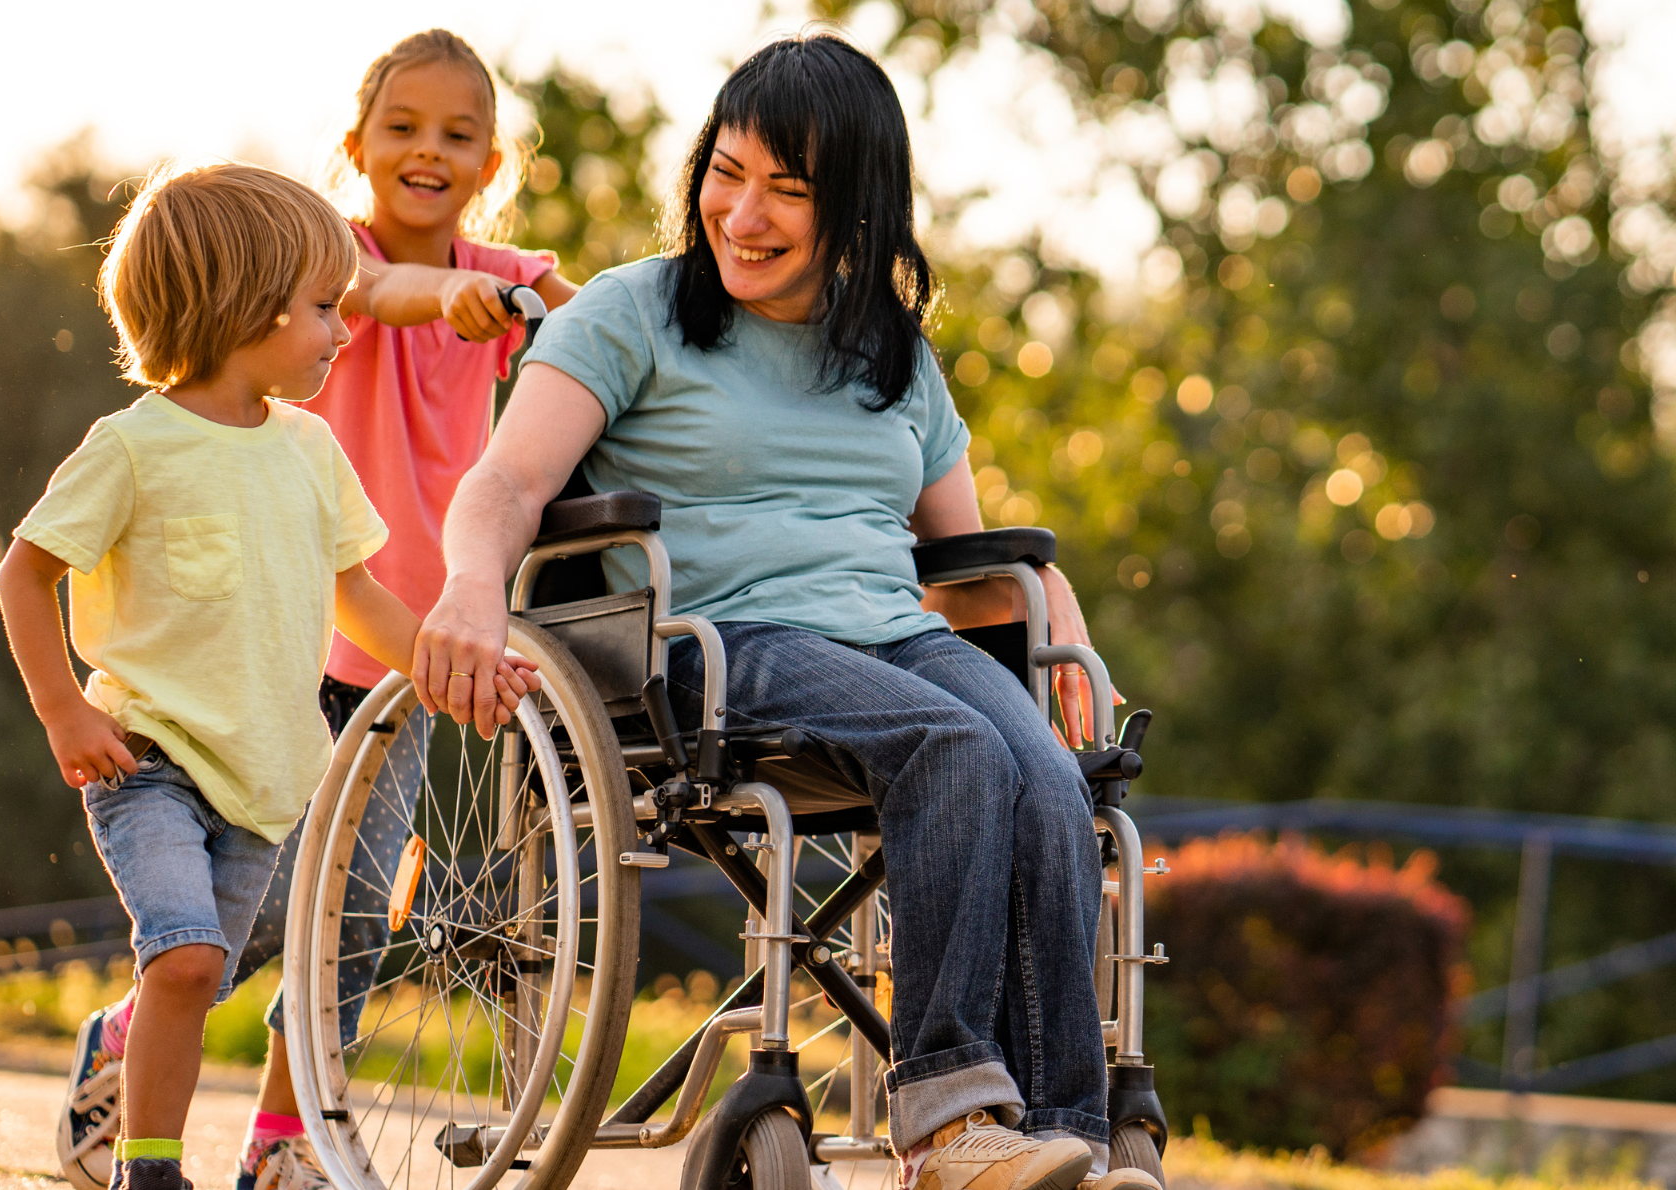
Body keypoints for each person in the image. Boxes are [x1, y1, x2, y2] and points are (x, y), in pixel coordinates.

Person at [412, 33, 1156, 1190]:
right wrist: (468, 588)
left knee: (1052, 781)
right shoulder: (633, 312)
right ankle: (947, 1125)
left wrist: (1046, 590)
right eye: (727, 170)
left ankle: (1062, 1132)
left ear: (855, 209)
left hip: (892, 635)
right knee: (954, 747)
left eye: (788, 190)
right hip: (713, 639)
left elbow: (960, 563)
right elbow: (505, 484)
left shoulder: (894, 355)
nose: (742, 213)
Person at [48, 30, 569, 1190]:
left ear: (492, 161)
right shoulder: (322, 269)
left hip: (404, 646)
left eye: (457, 134)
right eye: (402, 127)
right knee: (220, 937)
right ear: (355, 144)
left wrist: (586, 316)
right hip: (276, 652)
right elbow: (389, 287)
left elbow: (594, 334)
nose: (428, 150)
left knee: (349, 923)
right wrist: (450, 295)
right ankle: (131, 1039)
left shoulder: (512, 272)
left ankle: (281, 1141)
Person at [0, 161, 452, 1190]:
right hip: (147, 761)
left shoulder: (311, 450)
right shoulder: (132, 447)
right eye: (323, 308)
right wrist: (64, 708)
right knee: (190, 959)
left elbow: (361, 599)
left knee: (196, 983)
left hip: (265, 780)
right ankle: (152, 1170)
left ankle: (123, 1079)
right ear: (240, 306)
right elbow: (23, 572)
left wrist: (443, 661)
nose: (343, 331)